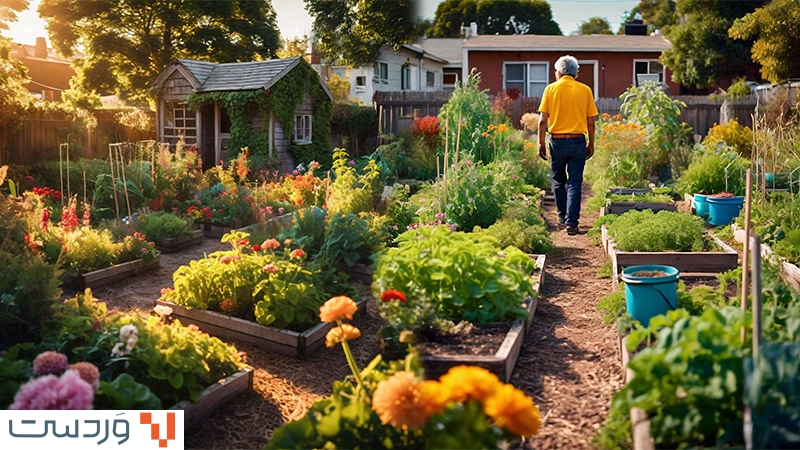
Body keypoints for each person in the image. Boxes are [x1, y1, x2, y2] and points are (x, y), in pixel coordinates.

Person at [537, 55, 598, 236]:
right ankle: (572, 222)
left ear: (559, 72)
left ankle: (563, 216)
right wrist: (591, 143)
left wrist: (541, 143)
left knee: (558, 181)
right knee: (574, 183)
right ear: (575, 73)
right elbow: (591, 122)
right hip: (578, 140)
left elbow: (542, 122)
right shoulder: (585, 90)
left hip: (557, 141)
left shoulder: (550, 89)